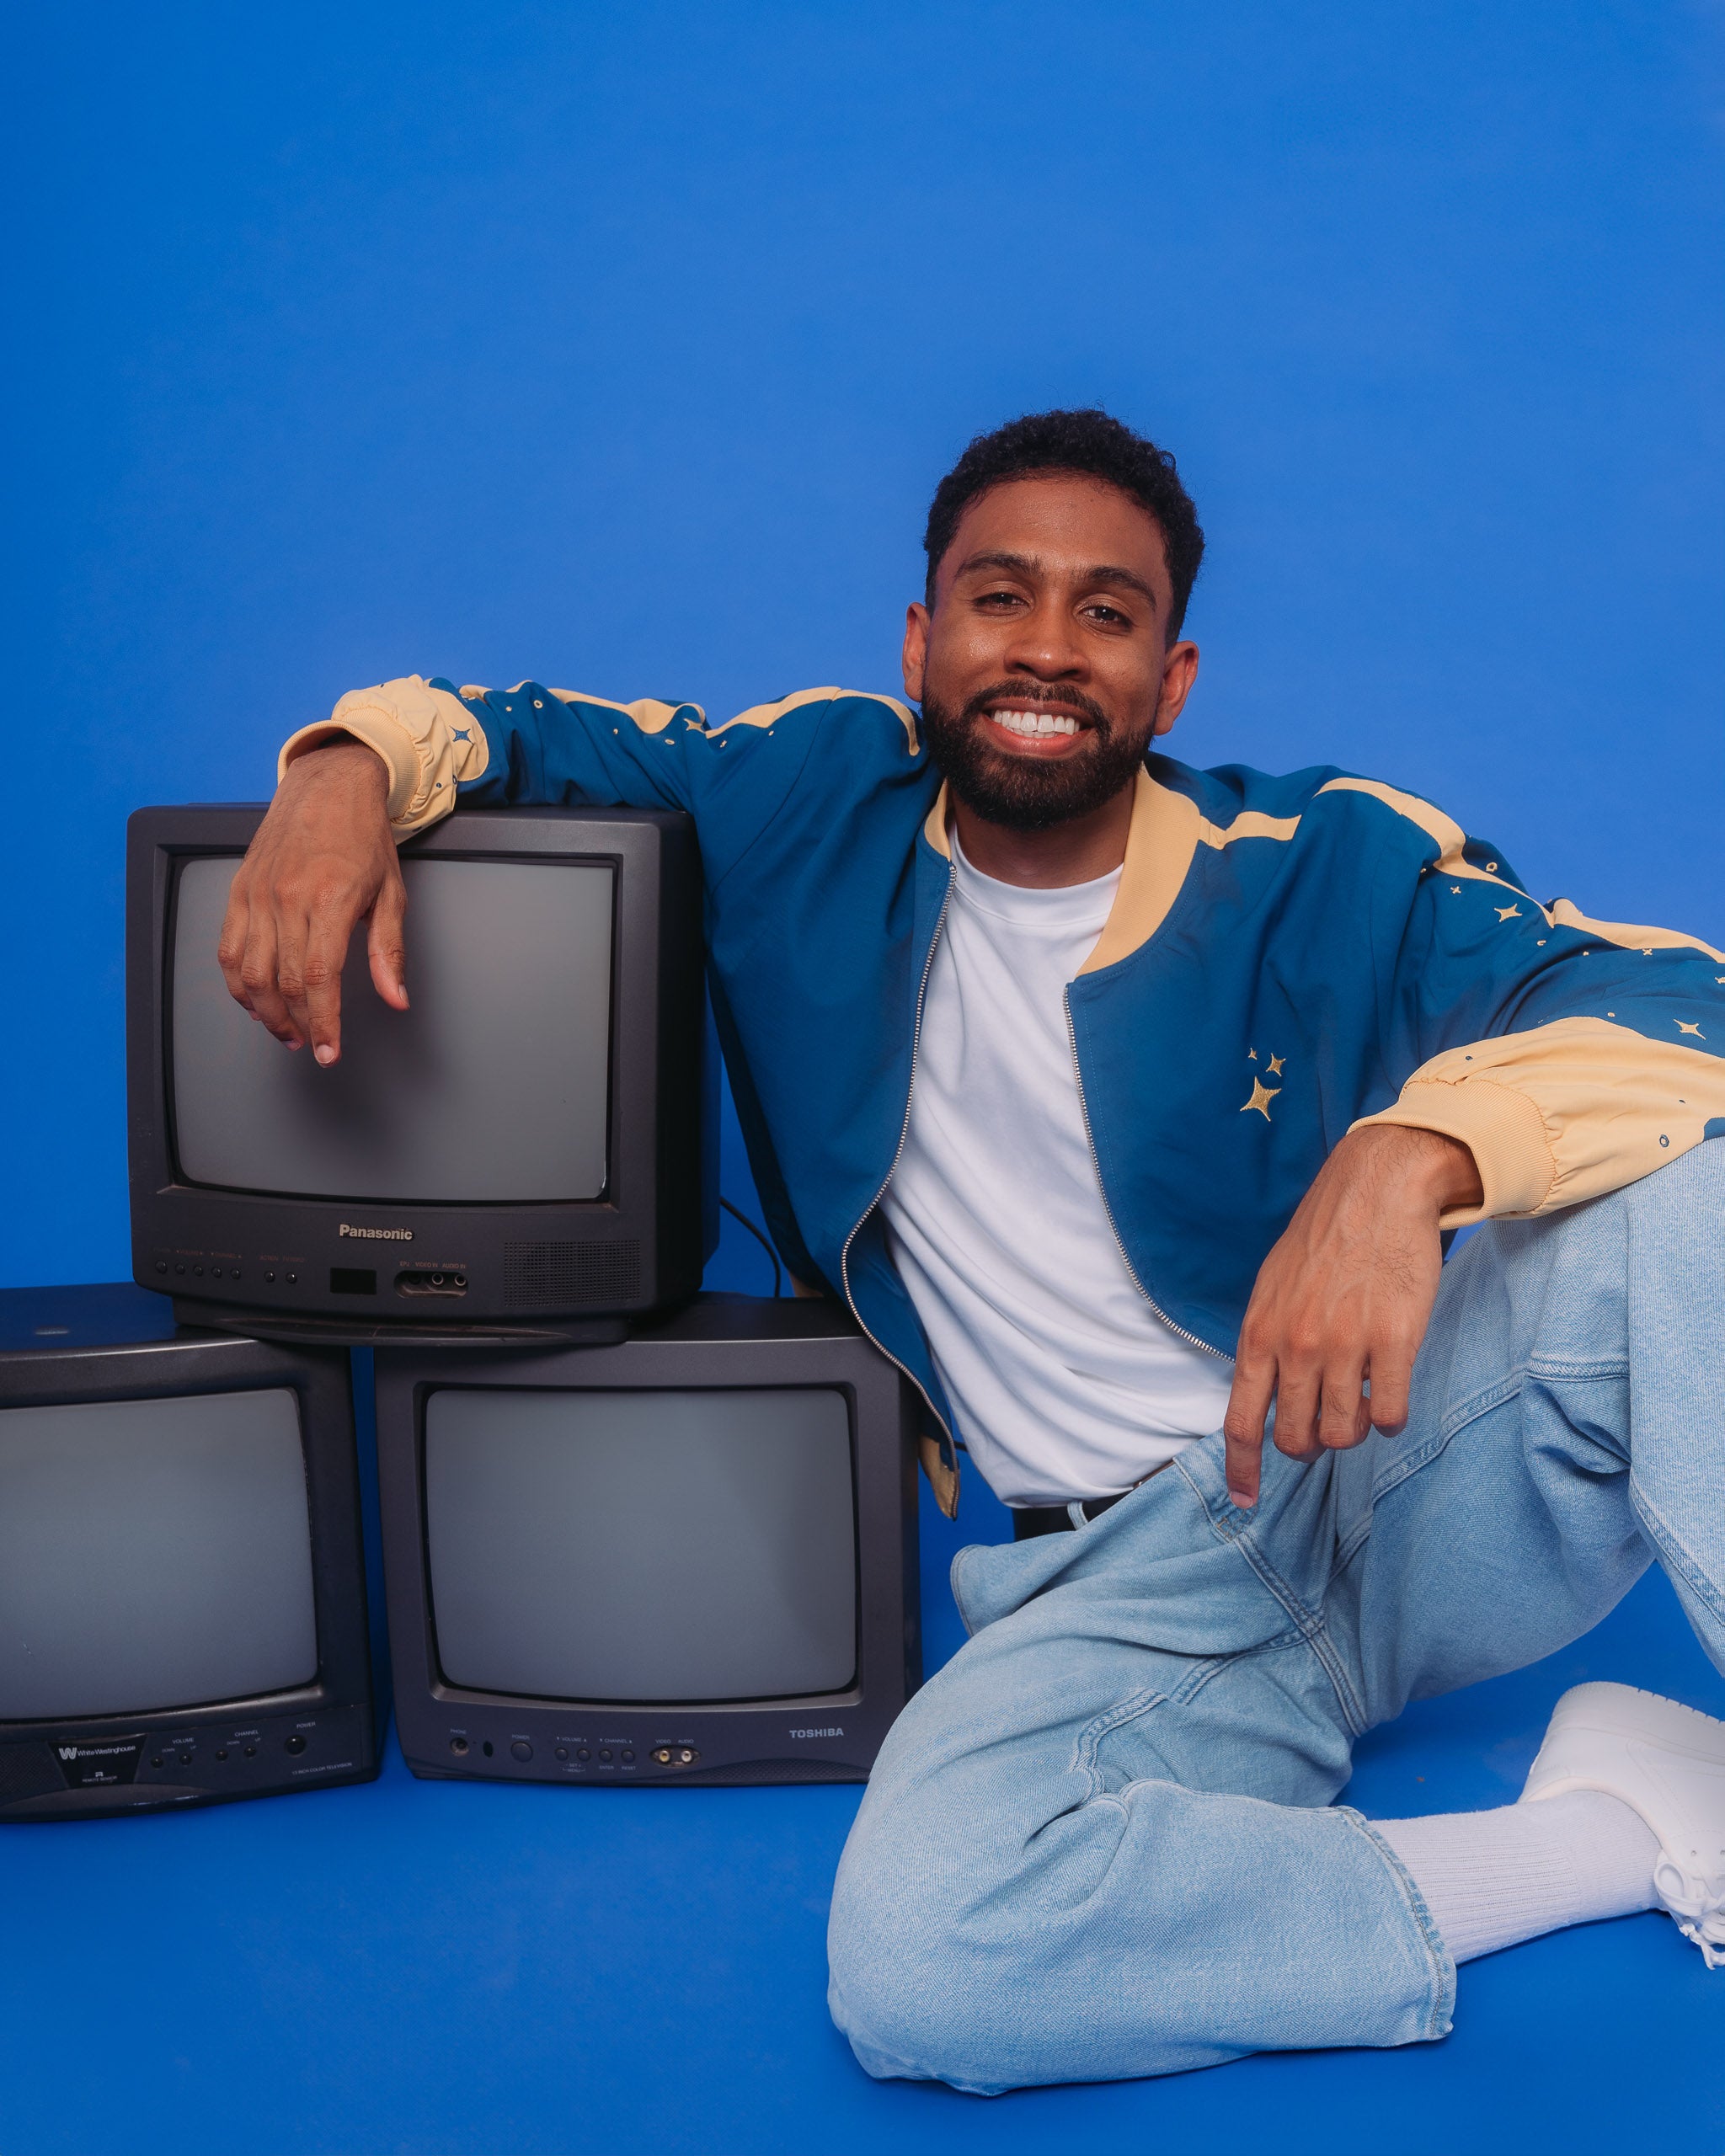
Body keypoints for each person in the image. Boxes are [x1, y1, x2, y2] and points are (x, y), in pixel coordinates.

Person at [220, 408, 1725, 2090]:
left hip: (1382, 1469)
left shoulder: (1323, 858)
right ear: (920, 638)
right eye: (1000, 596)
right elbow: (522, 732)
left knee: (1698, 1196)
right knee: (924, 1959)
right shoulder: (801, 800)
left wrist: (1409, 1151)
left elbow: (1679, 998)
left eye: (1108, 612)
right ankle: (1618, 1827)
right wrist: (342, 768)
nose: (1047, 648)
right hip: (1117, 1586)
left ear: (1173, 678)